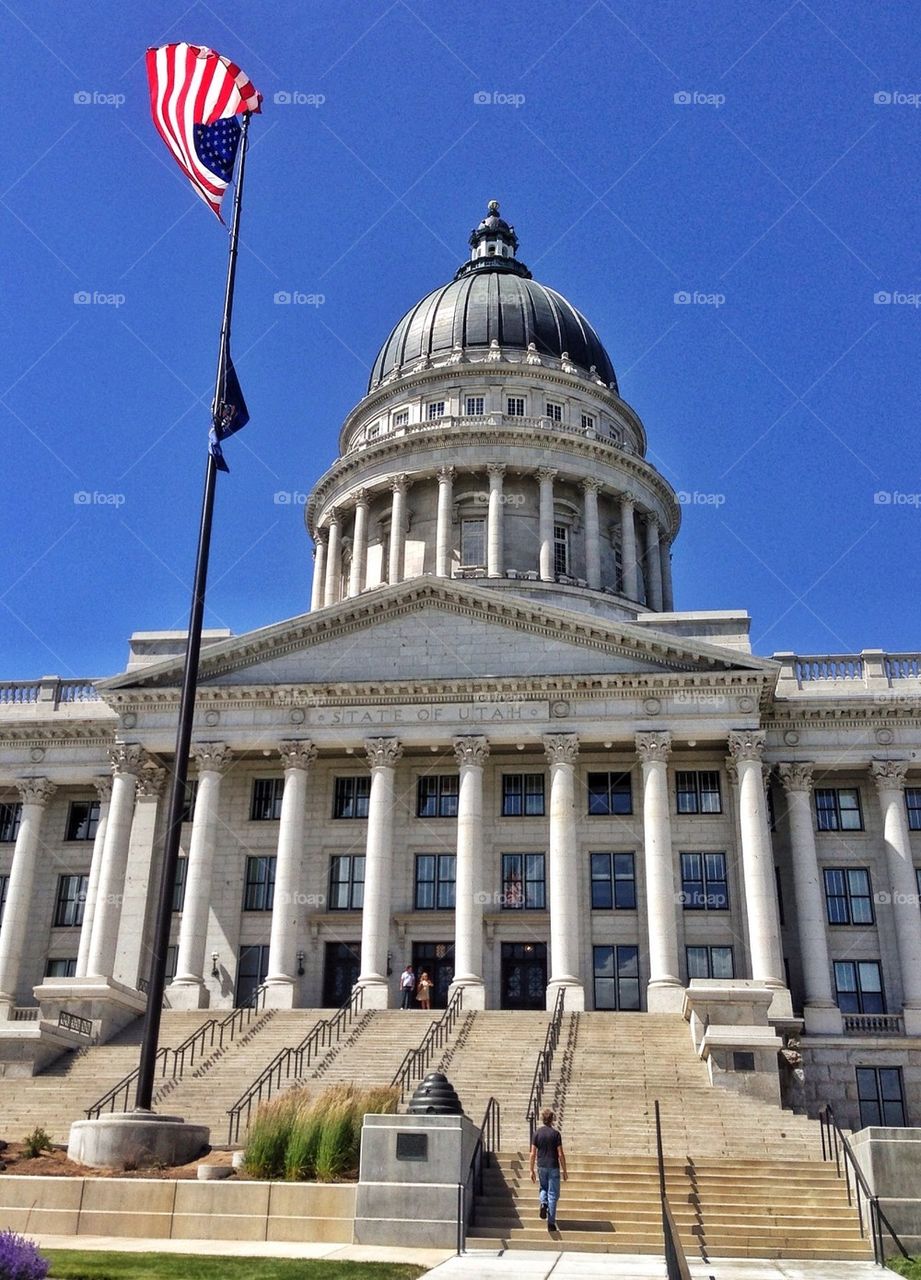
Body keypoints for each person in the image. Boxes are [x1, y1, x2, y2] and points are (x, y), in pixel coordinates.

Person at [529, 1107, 567, 1233]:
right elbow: (560, 1154)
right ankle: (551, 1223)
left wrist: (531, 1170)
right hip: (553, 1166)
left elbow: (532, 1153)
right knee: (553, 1194)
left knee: (543, 1188)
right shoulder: (556, 1134)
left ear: (542, 1119)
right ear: (552, 1120)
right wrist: (565, 1170)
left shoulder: (537, 1133)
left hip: (541, 1165)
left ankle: (543, 1204)